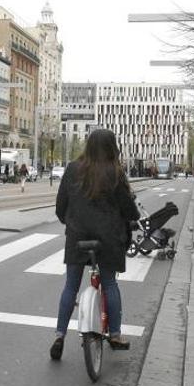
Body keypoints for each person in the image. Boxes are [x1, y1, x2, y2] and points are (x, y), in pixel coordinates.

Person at [50, 129, 139, 360]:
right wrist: (132, 218)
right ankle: (116, 334)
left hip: (77, 237)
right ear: (112, 147)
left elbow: (61, 207)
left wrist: (70, 223)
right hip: (108, 239)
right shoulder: (115, 172)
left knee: (70, 286)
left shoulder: (72, 169)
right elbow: (128, 209)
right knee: (109, 284)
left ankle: (59, 335)